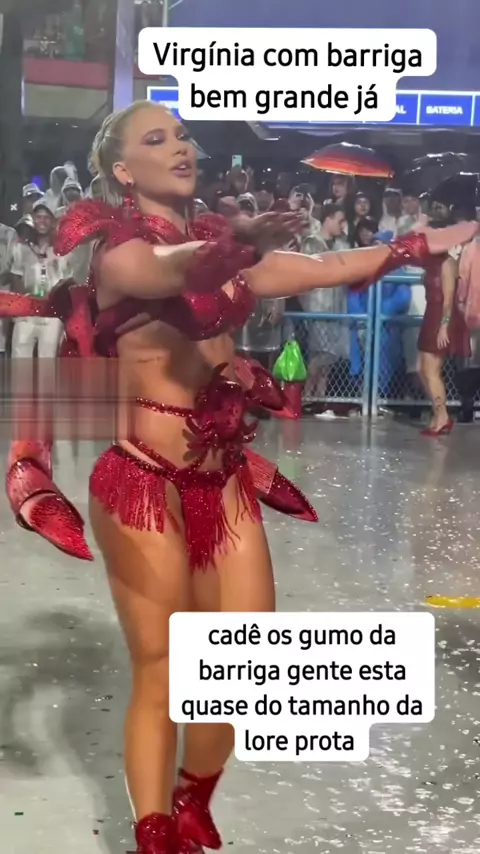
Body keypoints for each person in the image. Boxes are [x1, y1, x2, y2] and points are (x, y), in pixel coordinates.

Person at [0, 102, 477, 854]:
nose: (181, 146)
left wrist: (414, 246)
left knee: (235, 662)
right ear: (123, 169)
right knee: (162, 664)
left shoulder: (226, 247)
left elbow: (324, 267)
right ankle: (152, 830)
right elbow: (170, 269)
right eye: (157, 139)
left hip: (223, 479)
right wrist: (237, 244)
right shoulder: (116, 255)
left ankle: (192, 797)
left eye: (184, 134)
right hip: (142, 481)